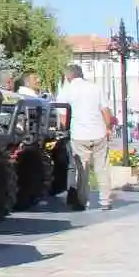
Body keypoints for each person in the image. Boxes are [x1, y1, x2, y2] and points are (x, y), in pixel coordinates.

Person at [57, 63, 115, 210]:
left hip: (79, 135)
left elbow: (63, 117)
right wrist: (108, 128)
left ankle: (83, 200)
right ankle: (105, 201)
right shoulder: (95, 87)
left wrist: (64, 129)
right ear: (81, 74)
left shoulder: (66, 91)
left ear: (68, 76)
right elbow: (105, 110)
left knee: (82, 170)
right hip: (99, 133)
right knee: (102, 168)